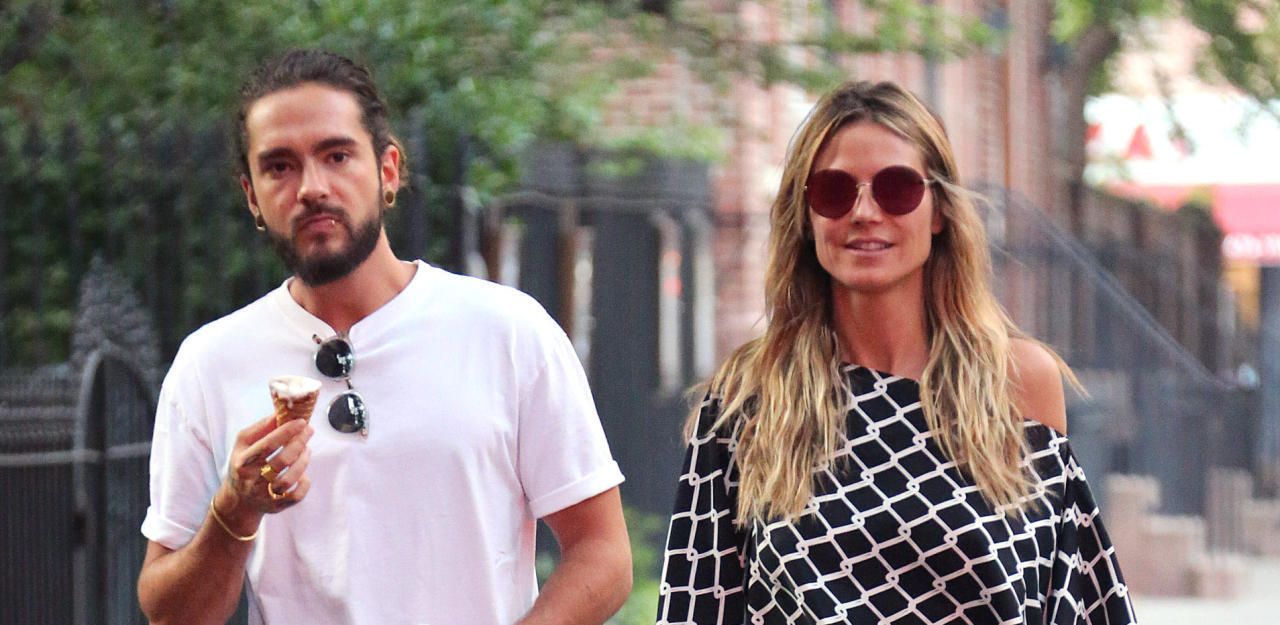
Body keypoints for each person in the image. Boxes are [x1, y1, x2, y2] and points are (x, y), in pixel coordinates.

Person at [136, 49, 632, 625]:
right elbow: (170, 614)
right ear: (252, 196)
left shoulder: (508, 332)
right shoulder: (209, 364)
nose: (311, 187)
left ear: (387, 170)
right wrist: (234, 512)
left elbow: (603, 553)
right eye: (280, 167)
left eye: (337, 155)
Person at [656, 81, 1136, 624]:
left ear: (938, 211)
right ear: (807, 216)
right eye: (834, 190)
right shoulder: (750, 398)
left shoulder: (1018, 382)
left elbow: (1066, 597)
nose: (864, 211)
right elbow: (696, 603)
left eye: (897, 188)